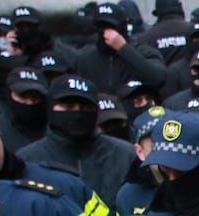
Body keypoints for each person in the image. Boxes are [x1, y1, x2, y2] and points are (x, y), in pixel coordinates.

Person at [16, 74, 139, 204]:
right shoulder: (27, 160)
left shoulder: (125, 155)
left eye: (86, 108)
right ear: (51, 107)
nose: (77, 113)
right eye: (69, 107)